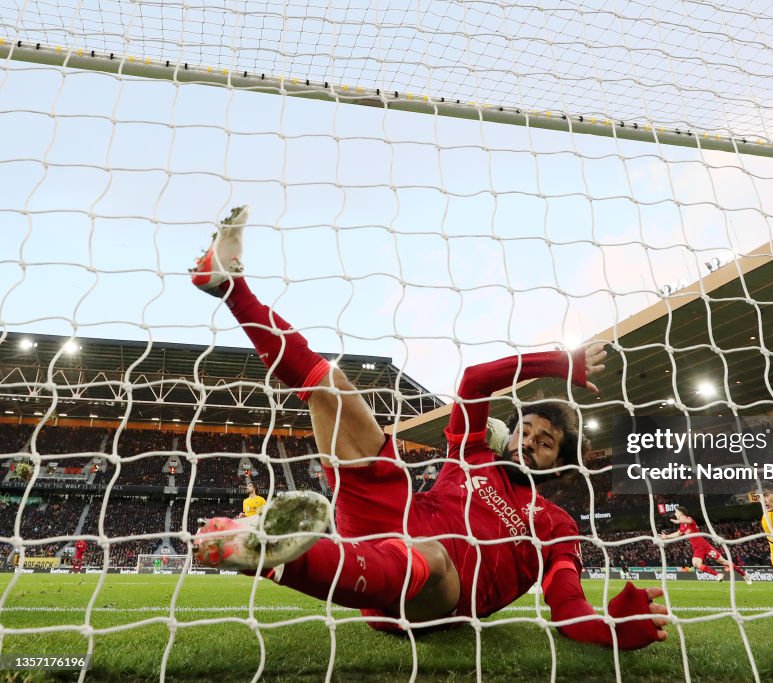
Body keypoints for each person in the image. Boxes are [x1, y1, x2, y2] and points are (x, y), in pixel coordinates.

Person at [191, 206, 668, 648]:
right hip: (386, 521)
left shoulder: (558, 526)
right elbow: (475, 381)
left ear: (562, 468)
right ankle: (230, 287)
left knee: (431, 554)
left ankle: (266, 553)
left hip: (434, 595)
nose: (527, 443)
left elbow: (567, 607)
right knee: (332, 387)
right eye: (526, 430)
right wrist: (555, 362)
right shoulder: (474, 454)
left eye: (544, 444)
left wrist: (614, 627)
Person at [659, 507, 752, 584]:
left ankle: (744, 575)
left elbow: (688, 521)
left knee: (723, 562)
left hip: (704, 545)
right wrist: (666, 536)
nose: (675, 514)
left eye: (676, 512)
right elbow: (678, 533)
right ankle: (718, 575)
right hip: (697, 548)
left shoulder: (689, 519)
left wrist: (678, 521)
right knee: (695, 563)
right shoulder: (682, 526)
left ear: (680, 513)